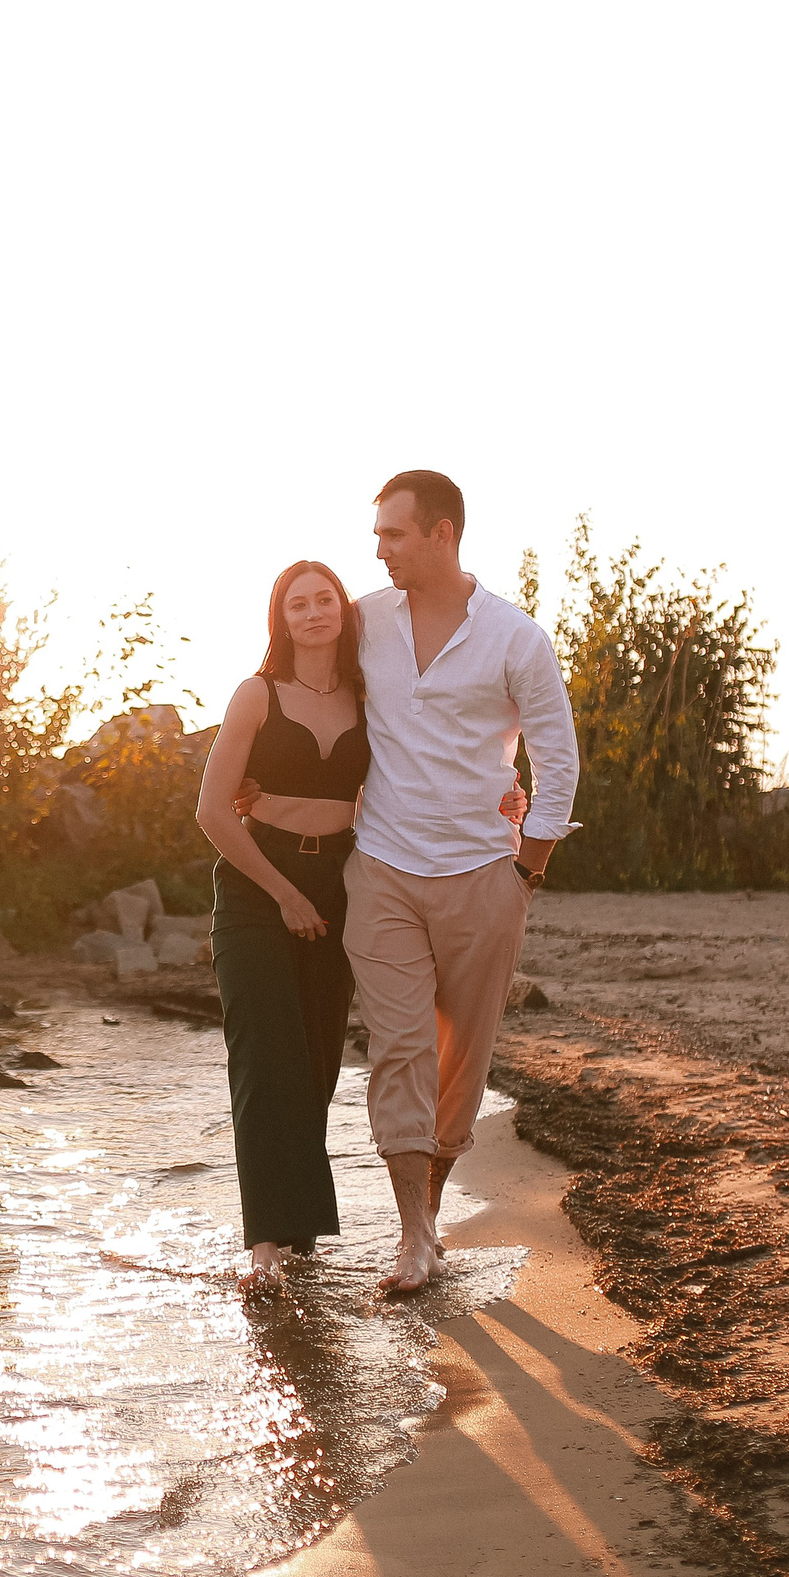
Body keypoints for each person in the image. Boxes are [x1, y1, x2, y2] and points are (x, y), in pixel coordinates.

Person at [194, 561, 527, 1297]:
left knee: (314, 1057)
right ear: (278, 616)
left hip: (342, 879)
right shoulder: (256, 695)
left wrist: (506, 792)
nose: (313, 612)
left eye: (324, 600)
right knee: (262, 1057)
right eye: (297, 602)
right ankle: (265, 1252)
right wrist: (281, 892)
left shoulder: (368, 693)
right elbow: (214, 811)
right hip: (258, 884)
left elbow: (438, 751)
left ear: (342, 613)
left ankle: (302, 1231)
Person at [342, 470, 580, 1294]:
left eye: (394, 534)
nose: (379, 549)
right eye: (378, 535)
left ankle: (430, 1219)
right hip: (381, 871)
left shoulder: (517, 639)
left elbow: (557, 755)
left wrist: (528, 869)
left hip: (484, 874)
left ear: (441, 534)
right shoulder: (364, 620)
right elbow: (303, 686)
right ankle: (413, 1237)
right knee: (400, 1047)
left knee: (460, 1062)